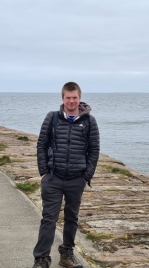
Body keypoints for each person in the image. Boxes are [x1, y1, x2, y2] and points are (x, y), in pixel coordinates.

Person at [32, 82, 100, 268]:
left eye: (74, 97)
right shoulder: (52, 118)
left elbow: (94, 150)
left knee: (72, 218)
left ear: (79, 98)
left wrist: (86, 176)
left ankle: (66, 255)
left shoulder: (89, 121)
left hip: (76, 179)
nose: (71, 101)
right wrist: (44, 171)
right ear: (63, 98)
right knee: (49, 218)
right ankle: (41, 259)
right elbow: (41, 144)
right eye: (68, 97)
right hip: (53, 178)